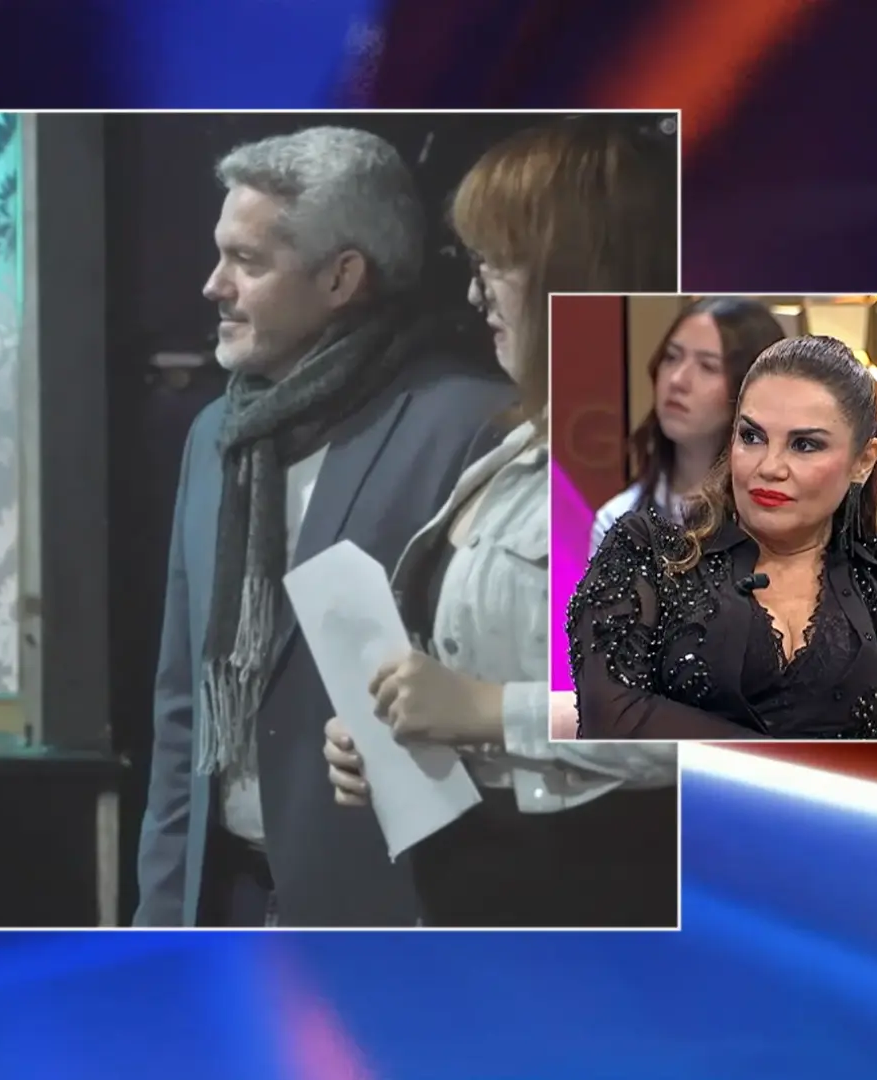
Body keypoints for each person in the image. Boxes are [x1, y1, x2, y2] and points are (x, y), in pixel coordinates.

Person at [134, 127, 517, 928]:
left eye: (247, 261)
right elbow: (181, 703)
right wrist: (161, 914)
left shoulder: (471, 427)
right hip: (222, 902)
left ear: (342, 276)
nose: (213, 285)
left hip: (386, 914)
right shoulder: (217, 435)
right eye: (218, 255)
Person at [323, 116, 681, 927]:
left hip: (593, 902)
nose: (475, 292)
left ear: (576, 268)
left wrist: (480, 710)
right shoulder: (533, 443)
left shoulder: (650, 456)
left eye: (498, 262)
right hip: (478, 889)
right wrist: (396, 730)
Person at [571, 334, 877, 741]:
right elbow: (611, 718)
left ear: (863, 461)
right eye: (752, 437)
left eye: (804, 445)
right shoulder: (648, 553)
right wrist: (794, 770)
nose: (769, 467)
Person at [590, 297, 786, 554]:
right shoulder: (619, 520)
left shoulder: (780, 513)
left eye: (708, 366)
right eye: (671, 357)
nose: (677, 380)